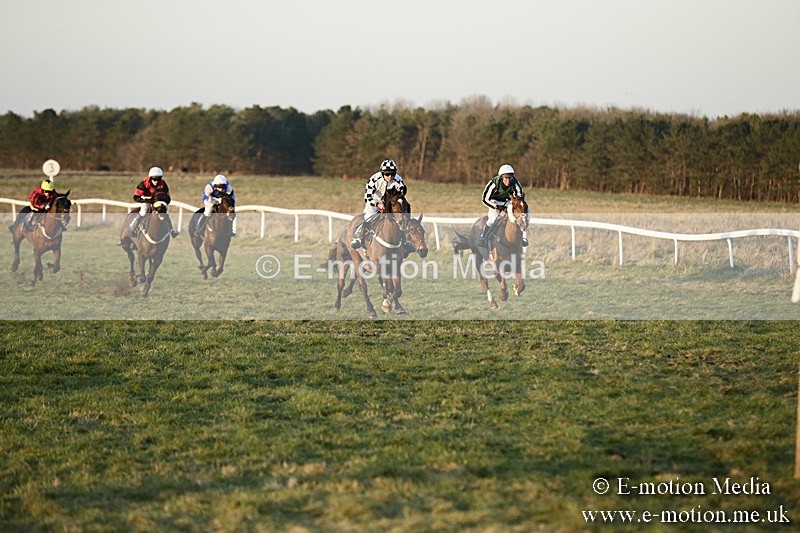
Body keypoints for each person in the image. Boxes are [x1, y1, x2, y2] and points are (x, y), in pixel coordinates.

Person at [351, 159, 408, 249]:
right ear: (382, 173)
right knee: (369, 216)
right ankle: (358, 237)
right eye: (387, 174)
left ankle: (406, 241)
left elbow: (403, 196)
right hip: (374, 201)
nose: (390, 177)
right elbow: (367, 198)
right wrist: (378, 204)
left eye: (392, 174)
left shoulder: (398, 180)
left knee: (403, 217)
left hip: (391, 202)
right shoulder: (373, 180)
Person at [477, 164, 529, 247]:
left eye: (510, 178)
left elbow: (519, 198)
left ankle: (523, 238)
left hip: (508, 201)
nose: (508, 181)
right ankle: (483, 237)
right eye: (506, 178)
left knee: (522, 214)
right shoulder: (493, 183)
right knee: (493, 218)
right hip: (494, 202)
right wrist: (497, 207)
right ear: (501, 177)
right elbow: (484, 199)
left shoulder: (515, 183)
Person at [129, 166, 179, 238]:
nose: (156, 181)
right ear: (150, 178)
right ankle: (133, 227)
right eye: (154, 179)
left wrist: (163, 203)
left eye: (159, 179)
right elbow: (136, 197)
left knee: (165, 211)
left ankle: (171, 230)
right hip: (146, 198)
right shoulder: (143, 184)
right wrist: (148, 200)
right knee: (144, 210)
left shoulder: (163, 184)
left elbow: (168, 198)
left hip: (157, 200)